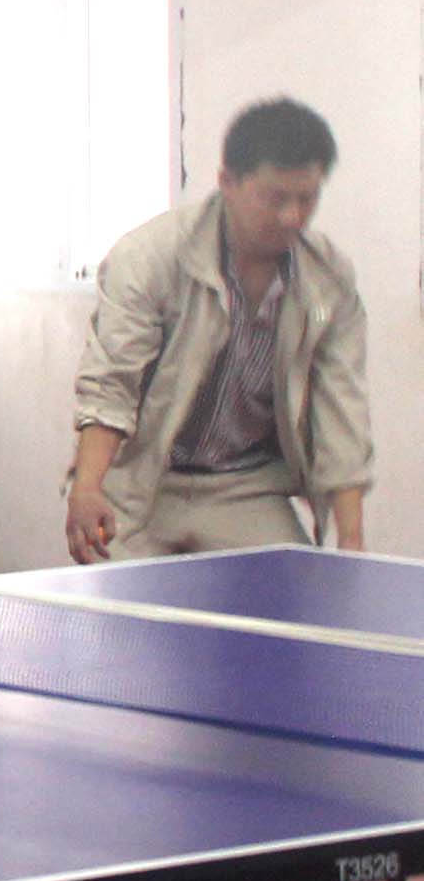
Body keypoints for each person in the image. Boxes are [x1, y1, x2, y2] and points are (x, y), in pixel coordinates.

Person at [65, 98, 371, 563]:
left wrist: (351, 540)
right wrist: (87, 488)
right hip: (145, 482)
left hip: (245, 488)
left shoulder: (328, 278)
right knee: (116, 604)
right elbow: (111, 384)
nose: (292, 216)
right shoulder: (147, 259)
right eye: (275, 198)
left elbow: (341, 410)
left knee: (297, 598)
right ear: (227, 182)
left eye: (306, 198)